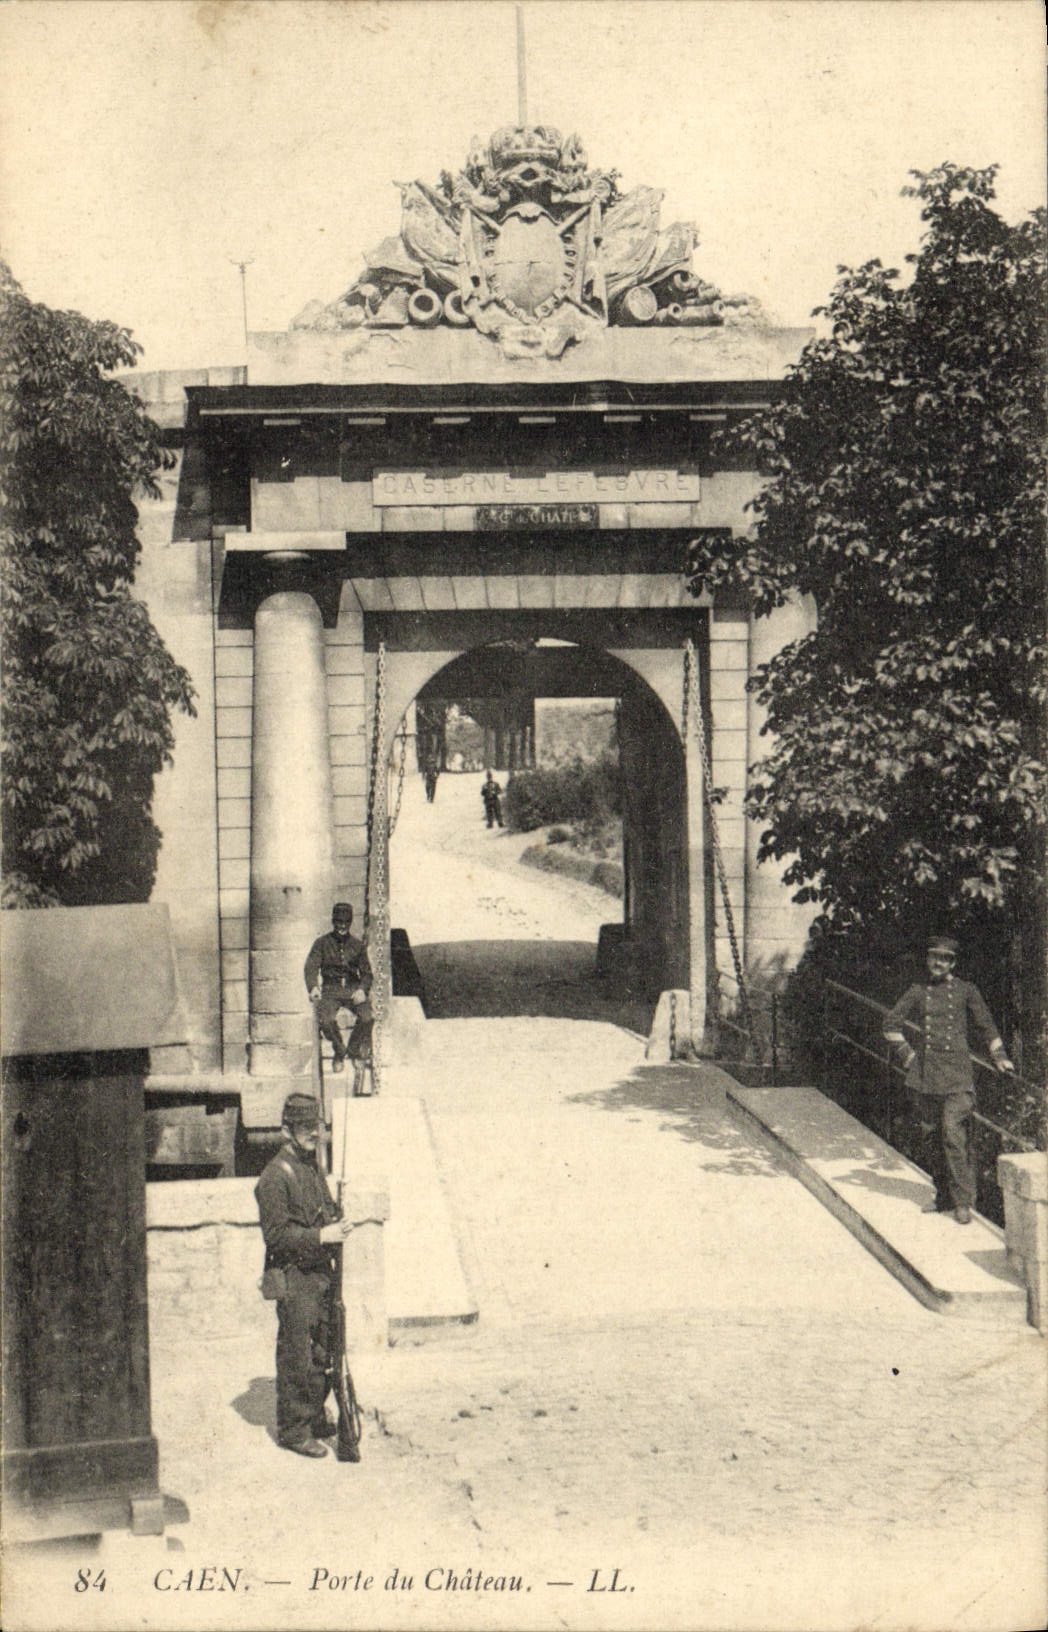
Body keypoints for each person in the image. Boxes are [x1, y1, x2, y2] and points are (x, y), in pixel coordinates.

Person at [882, 934, 1015, 1224]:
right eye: (934, 957)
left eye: (945, 959)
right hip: (926, 1076)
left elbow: (986, 1026)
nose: (938, 963)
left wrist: (1000, 1057)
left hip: (957, 1076)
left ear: (952, 963)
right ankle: (942, 1195)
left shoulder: (967, 991)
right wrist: (910, 1057)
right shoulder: (918, 991)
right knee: (932, 1135)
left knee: (953, 1134)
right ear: (928, 959)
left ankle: (963, 1202)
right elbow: (890, 1025)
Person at [254, 1093, 357, 1457]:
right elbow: (277, 1237)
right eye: (305, 1128)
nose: (315, 1134)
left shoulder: (311, 1166)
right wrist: (320, 1236)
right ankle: (294, 1431)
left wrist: (336, 1221)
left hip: (319, 1273)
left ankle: (313, 1414)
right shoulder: (274, 1177)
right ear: (286, 1130)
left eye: (317, 1127)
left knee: (324, 1347)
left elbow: (322, 1209)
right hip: (294, 1276)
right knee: (298, 1354)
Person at [304, 902, 373, 1074]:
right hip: (331, 989)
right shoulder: (321, 943)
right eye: (339, 922)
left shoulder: (357, 945)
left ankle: (354, 1050)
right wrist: (313, 987)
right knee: (326, 1020)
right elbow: (310, 967)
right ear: (333, 922)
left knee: (367, 1017)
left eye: (346, 923)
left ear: (350, 923)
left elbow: (367, 973)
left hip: (352, 988)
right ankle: (339, 1051)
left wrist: (362, 990)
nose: (342, 926)